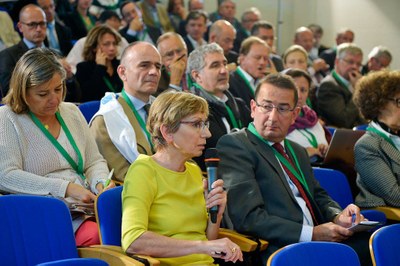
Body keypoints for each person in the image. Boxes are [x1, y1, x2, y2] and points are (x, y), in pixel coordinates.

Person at [216, 73, 371, 265]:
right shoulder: (236, 145)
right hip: (278, 247)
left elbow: (318, 195)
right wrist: (311, 234)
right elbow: (248, 218)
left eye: (282, 109)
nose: (273, 117)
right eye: (266, 106)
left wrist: (338, 216)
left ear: (294, 115)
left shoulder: (296, 150)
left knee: (372, 243)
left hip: (317, 239)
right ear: (253, 108)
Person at [0, 48, 115, 246]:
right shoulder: (7, 119)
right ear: (23, 92)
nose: (54, 99)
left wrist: (100, 183)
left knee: (132, 222)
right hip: (43, 212)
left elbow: (94, 161)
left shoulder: (71, 112)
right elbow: (6, 175)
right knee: (101, 235)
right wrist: (65, 188)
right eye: (43, 93)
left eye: (58, 89)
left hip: (85, 204)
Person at [121, 91, 243, 265]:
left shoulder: (193, 171)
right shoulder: (143, 171)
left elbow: (206, 240)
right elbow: (133, 241)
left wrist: (217, 214)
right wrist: (202, 247)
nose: (207, 133)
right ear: (167, 132)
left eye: (205, 124)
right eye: (196, 124)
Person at [89, 42, 160, 182]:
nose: (154, 72)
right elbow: (124, 177)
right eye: (144, 65)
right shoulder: (105, 120)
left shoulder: (164, 109)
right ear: (122, 72)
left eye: (158, 66)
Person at [187, 43, 250, 170]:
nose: (223, 70)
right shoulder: (191, 110)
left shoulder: (239, 104)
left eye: (224, 64)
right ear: (197, 76)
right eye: (215, 65)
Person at [353, 70, 400, 208]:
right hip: (387, 219)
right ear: (380, 104)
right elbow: (395, 197)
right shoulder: (367, 145)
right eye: (399, 101)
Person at [0, 4, 47, 96]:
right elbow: (8, 91)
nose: (38, 29)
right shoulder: (7, 55)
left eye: (42, 23)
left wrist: (69, 78)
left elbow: (74, 93)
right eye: (32, 24)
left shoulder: (55, 54)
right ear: (20, 27)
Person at [284, 69, 330, 160]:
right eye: (294, 89)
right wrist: (303, 153)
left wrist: (323, 149)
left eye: (303, 90)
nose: (299, 96)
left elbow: (325, 144)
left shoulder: (311, 117)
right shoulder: (278, 121)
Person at [317, 43, 366, 128]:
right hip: (342, 136)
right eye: (350, 62)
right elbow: (344, 120)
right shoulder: (328, 85)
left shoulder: (353, 81)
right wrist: (357, 89)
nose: (355, 67)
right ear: (337, 61)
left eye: (358, 64)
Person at [76, 25, 122, 102]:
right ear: (94, 47)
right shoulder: (83, 68)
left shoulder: (120, 65)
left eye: (114, 44)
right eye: (106, 44)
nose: (112, 48)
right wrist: (100, 67)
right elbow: (88, 95)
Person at [229, 36, 272, 110]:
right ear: (242, 59)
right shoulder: (231, 82)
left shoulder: (266, 83)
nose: (262, 62)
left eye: (265, 59)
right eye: (257, 57)